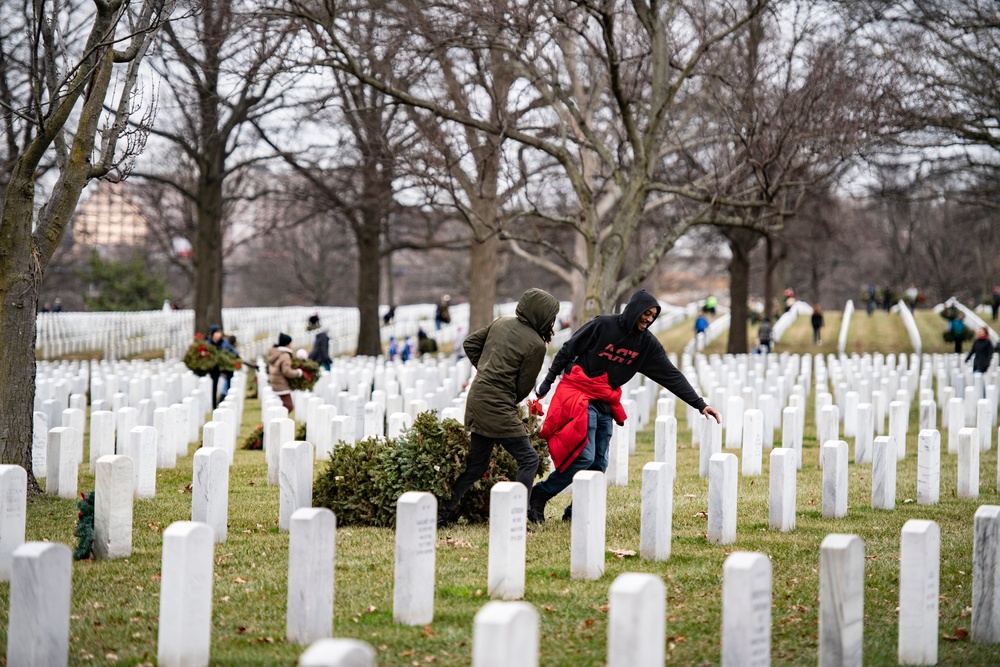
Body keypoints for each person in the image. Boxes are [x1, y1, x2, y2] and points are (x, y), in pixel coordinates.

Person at [527, 288, 720, 523]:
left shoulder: (646, 344)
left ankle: (577, 511)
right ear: (634, 310)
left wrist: (700, 405)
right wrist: (547, 383)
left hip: (605, 400)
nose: (649, 319)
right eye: (646, 313)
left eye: (653, 315)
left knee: (599, 462)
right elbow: (568, 350)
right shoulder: (603, 326)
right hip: (580, 393)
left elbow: (671, 376)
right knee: (584, 456)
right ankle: (540, 494)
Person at [437, 288, 560, 527]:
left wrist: (485, 370)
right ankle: (517, 515)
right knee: (529, 459)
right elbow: (524, 387)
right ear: (541, 315)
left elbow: (470, 343)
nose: (552, 322)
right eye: (550, 317)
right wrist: (503, 388)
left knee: (477, 466)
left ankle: (443, 512)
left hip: (477, 396)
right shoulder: (536, 344)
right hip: (498, 404)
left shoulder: (502, 322)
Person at [268, 333, 304, 414]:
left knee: (284, 406)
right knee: (288, 406)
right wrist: (298, 372)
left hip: (275, 383)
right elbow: (287, 371)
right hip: (281, 384)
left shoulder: (276, 353)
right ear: (287, 344)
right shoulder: (285, 355)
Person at [208, 325, 238, 408]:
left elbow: (232, 350)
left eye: (220, 332)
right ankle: (214, 406)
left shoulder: (224, 342)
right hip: (214, 368)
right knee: (214, 386)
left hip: (224, 367)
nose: (219, 335)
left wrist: (238, 355)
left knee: (229, 379)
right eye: (217, 332)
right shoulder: (208, 343)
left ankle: (226, 399)